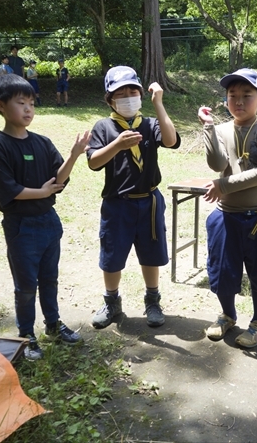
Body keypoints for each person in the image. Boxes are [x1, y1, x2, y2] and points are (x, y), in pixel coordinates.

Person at [0, 75, 92, 360]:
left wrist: (74, 155)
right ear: (1, 105)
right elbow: (8, 190)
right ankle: (26, 335)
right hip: (21, 226)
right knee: (25, 287)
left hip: (48, 221)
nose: (28, 109)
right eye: (21, 103)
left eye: (31, 103)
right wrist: (41, 191)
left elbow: (58, 179)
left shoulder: (42, 143)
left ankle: (54, 325)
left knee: (50, 279)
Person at [197, 68, 257, 348]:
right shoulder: (223, 129)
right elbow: (216, 165)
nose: (238, 101)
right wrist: (209, 127)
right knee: (223, 270)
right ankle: (227, 315)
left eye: (246, 96)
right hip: (227, 215)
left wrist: (223, 186)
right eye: (232, 96)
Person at [87, 66, 181, 330]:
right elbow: (93, 163)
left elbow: (172, 140)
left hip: (149, 201)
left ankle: (152, 300)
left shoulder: (150, 124)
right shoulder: (104, 127)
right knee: (112, 254)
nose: (128, 96)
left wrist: (158, 104)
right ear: (110, 99)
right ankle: (112, 302)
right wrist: (117, 145)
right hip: (118, 204)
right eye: (120, 93)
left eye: (132, 91)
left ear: (140, 94)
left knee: (151, 252)